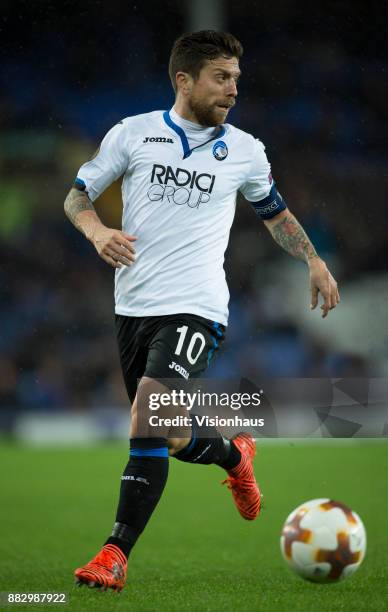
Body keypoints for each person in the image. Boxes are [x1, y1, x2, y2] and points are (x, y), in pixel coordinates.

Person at [64, 30, 339, 592]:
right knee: (163, 433)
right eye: (222, 76)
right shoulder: (134, 134)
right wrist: (96, 233)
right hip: (133, 305)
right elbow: (76, 197)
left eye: (237, 77)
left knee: (149, 409)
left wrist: (313, 259)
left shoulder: (246, 150)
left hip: (197, 305)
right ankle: (234, 456)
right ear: (184, 80)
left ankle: (114, 554)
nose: (234, 88)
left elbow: (275, 214)